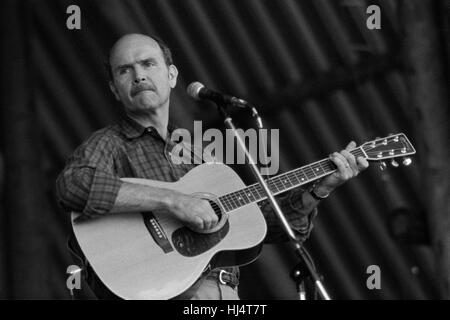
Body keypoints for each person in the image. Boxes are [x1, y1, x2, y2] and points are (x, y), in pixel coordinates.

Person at [56, 33, 369, 300]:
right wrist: (174, 201)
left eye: (148, 63)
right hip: (171, 291)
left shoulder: (200, 156)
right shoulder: (111, 143)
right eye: (125, 70)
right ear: (114, 89)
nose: (138, 75)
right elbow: (73, 186)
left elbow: (262, 227)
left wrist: (321, 188)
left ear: (172, 75)